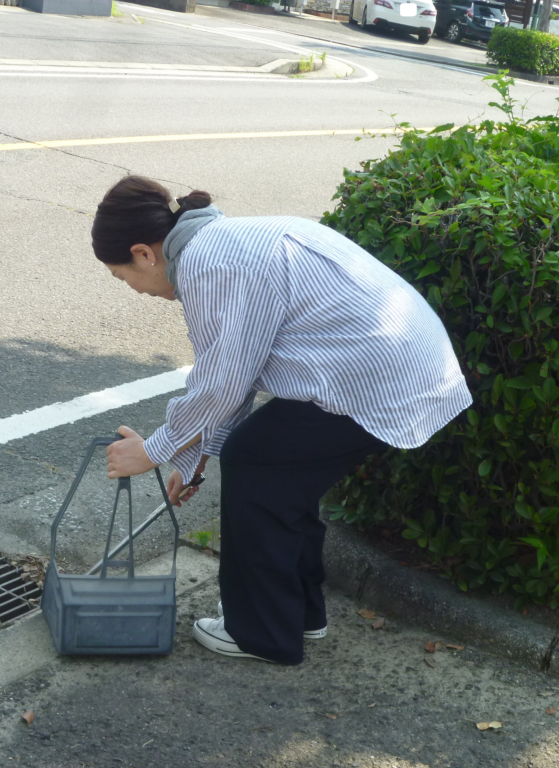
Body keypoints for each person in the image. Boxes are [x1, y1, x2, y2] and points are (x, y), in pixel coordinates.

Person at [94, 176, 471, 666]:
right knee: (277, 472)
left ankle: (262, 634)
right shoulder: (218, 244)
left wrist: (153, 450)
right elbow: (236, 377)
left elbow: (222, 383)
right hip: (398, 368)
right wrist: (192, 457)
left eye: (121, 277)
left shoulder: (211, 264)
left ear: (144, 254)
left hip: (378, 380)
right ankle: (300, 614)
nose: (133, 290)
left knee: (256, 462)